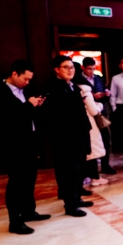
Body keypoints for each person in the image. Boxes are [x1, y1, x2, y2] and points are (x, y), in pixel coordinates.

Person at [0, 60, 50, 234]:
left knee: (29, 180)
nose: (27, 82)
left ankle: (29, 211)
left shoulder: (25, 91)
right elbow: (9, 118)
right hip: (12, 145)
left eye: (30, 79)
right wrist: (29, 105)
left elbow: (27, 115)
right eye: (25, 79)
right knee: (16, 183)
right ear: (14, 74)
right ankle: (15, 221)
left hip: (30, 142)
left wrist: (36, 105)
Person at [44, 55, 93, 216]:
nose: (70, 70)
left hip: (79, 134)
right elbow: (54, 116)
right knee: (68, 171)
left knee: (79, 169)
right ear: (56, 69)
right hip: (65, 137)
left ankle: (76, 198)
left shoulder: (73, 86)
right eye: (66, 67)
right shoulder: (52, 87)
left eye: (72, 67)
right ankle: (70, 205)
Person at [81, 57, 116, 174]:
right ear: (83, 68)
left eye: (93, 68)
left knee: (106, 139)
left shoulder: (99, 78)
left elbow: (105, 92)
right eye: (89, 69)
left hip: (101, 112)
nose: (91, 71)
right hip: (88, 114)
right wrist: (93, 97)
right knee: (91, 142)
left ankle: (105, 166)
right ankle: (91, 171)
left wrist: (106, 94)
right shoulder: (79, 79)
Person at [76, 78, 108, 187]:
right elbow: (93, 110)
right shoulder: (85, 90)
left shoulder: (73, 89)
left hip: (78, 123)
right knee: (92, 151)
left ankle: (85, 177)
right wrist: (100, 105)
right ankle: (95, 177)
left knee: (84, 153)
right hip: (89, 123)